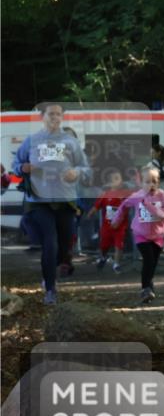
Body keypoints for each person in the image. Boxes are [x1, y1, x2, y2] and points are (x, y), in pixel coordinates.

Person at [12, 102, 91, 305]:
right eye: (51, 114)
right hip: (39, 201)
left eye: (58, 114)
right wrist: (23, 167)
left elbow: (86, 168)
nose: (55, 117)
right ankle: (50, 289)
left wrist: (77, 172)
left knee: (64, 247)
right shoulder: (31, 141)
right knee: (50, 242)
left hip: (65, 200)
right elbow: (15, 165)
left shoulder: (70, 142)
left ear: (62, 118)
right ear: (42, 116)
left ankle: (49, 274)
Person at [112, 166, 164, 303]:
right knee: (148, 260)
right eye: (147, 182)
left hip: (158, 236)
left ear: (158, 182)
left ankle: (149, 285)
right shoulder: (137, 196)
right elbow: (123, 206)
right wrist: (116, 219)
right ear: (141, 183)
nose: (151, 185)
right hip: (141, 235)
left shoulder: (162, 195)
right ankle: (145, 289)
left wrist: (156, 210)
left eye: (154, 181)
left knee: (153, 263)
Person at [86, 167, 131, 274]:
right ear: (110, 182)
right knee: (104, 246)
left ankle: (116, 264)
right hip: (107, 227)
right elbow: (97, 206)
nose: (118, 181)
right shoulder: (105, 195)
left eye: (119, 178)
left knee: (118, 245)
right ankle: (102, 258)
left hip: (120, 227)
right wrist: (90, 213)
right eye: (115, 179)